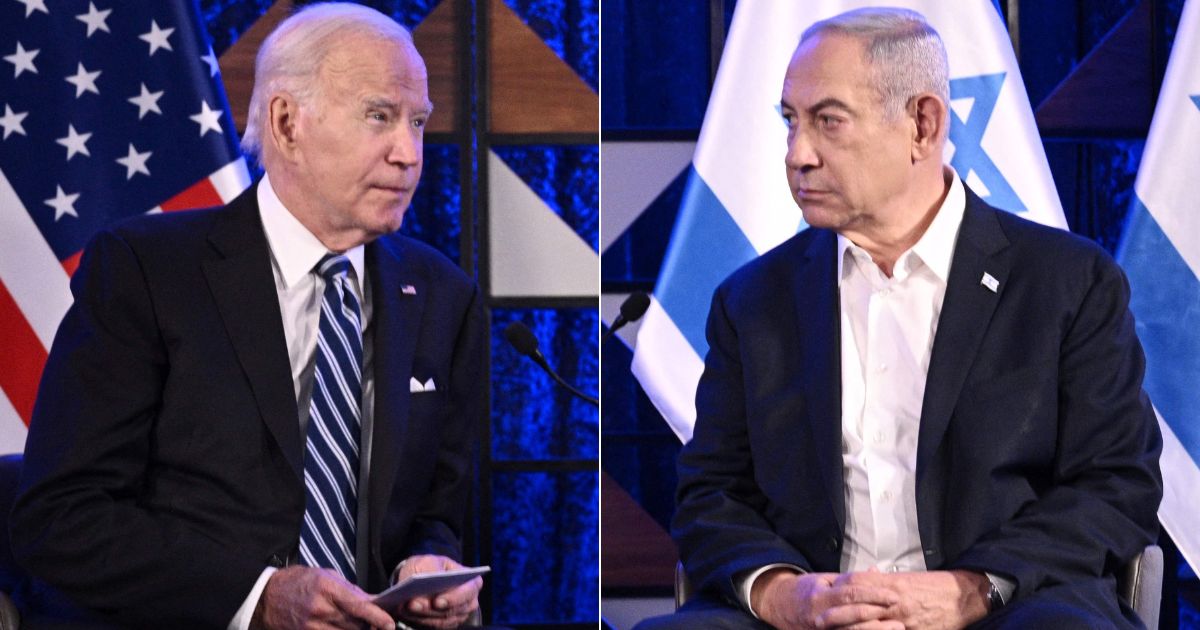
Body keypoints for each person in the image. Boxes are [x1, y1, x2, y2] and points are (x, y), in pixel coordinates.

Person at [637, 8, 1162, 630]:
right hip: (810, 613)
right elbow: (711, 495)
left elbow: (1114, 484)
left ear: (922, 124)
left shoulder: (1068, 283)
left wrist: (971, 590)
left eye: (828, 121)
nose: (797, 154)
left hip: (1006, 607)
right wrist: (785, 596)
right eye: (790, 121)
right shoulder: (753, 301)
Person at [11, 4, 486, 629]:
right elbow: (61, 517)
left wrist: (429, 565)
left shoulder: (441, 294)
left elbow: (441, 512)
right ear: (287, 122)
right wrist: (257, 596)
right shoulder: (145, 272)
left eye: (418, 122)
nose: (409, 152)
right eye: (380, 116)